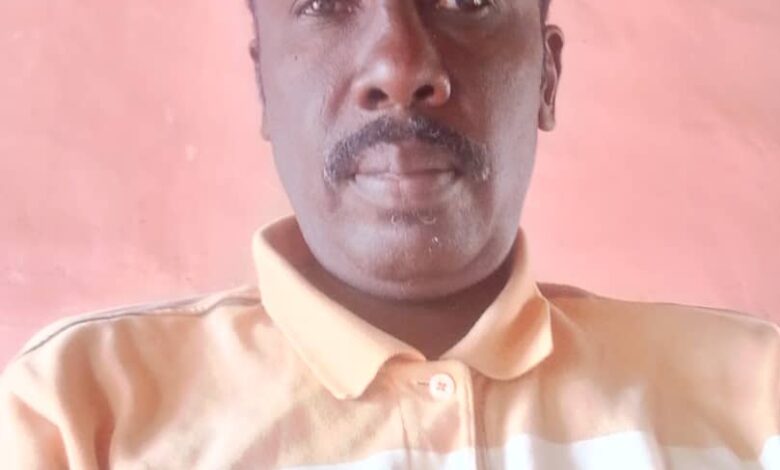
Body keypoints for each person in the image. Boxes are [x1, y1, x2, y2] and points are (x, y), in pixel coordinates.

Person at [1, 0, 778, 468]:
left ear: (546, 77)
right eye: (326, 0)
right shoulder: (79, 414)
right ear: (263, 83)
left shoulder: (755, 401)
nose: (400, 65)